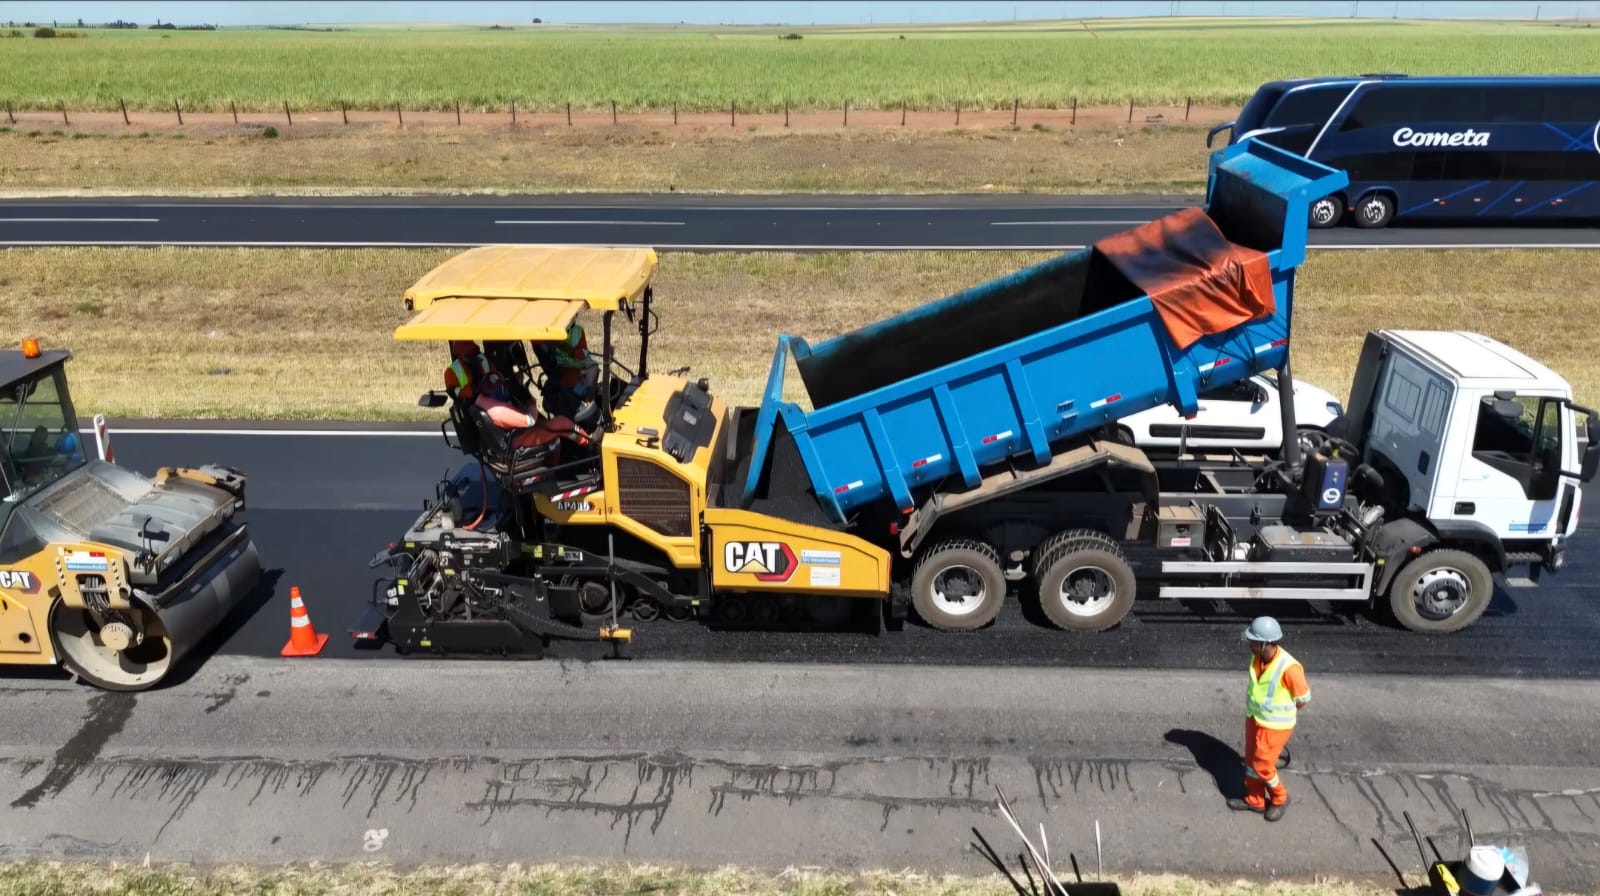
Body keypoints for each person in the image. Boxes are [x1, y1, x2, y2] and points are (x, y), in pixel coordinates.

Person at [1227, 616, 1309, 822]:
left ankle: (1280, 798)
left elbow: (1303, 699)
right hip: (1255, 719)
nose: (1249, 644)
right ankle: (1255, 800)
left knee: (1263, 764)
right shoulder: (1257, 658)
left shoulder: (1290, 668)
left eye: (1253, 641)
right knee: (1252, 762)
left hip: (1276, 725)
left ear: (1265, 644)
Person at [443, 340, 571, 452]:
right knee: (551, 425)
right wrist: (531, 403)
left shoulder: (482, 359)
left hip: (496, 401)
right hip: (489, 413)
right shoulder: (453, 372)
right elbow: (456, 392)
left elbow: (496, 375)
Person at [532, 322, 598, 424]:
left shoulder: (576, 332)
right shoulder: (540, 335)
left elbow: (583, 356)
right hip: (566, 383)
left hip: (573, 382)